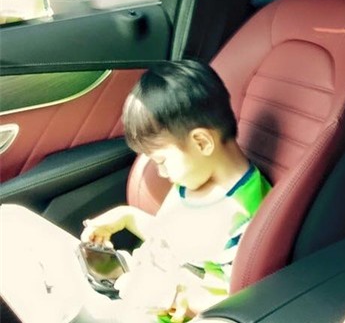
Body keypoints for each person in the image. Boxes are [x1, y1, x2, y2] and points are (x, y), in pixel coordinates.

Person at [0, 60, 272, 323]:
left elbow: (237, 298)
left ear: (201, 142)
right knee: (9, 219)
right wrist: (127, 217)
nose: (160, 172)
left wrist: (175, 297)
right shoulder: (195, 178)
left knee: (41, 299)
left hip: (148, 312)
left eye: (161, 161)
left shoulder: (244, 215)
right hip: (131, 282)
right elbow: (174, 239)